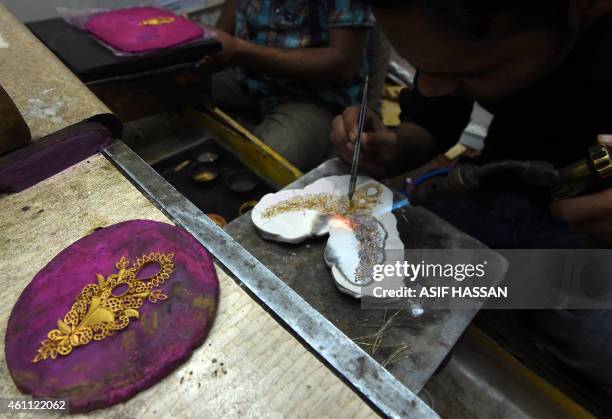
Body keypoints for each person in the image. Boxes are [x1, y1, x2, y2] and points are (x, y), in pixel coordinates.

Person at [330, 0, 612, 392]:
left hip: (593, 241)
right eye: (420, 66)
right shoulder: (467, 35)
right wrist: (394, 147)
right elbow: (435, 118)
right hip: (502, 188)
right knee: (370, 278)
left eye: (473, 73)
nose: (428, 87)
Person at [206, 0, 374, 171]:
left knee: (267, 164)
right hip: (246, 76)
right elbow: (222, 32)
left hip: (312, 97)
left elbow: (343, 65)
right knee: (184, 92)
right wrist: (206, 45)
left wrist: (239, 51)